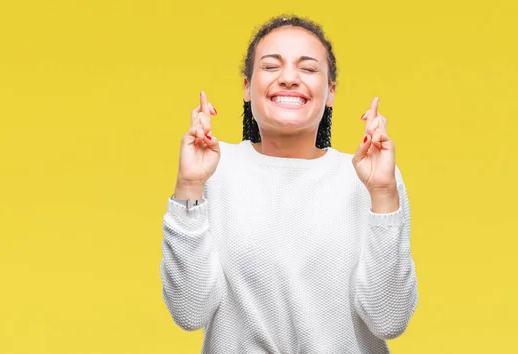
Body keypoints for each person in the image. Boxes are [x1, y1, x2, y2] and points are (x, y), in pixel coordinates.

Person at [160, 14, 418, 354]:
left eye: (308, 69)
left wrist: (383, 194)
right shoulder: (213, 170)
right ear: (247, 87)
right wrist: (189, 186)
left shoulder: (369, 177)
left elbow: (389, 320)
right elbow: (190, 312)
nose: (289, 78)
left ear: (330, 93)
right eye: (271, 66)